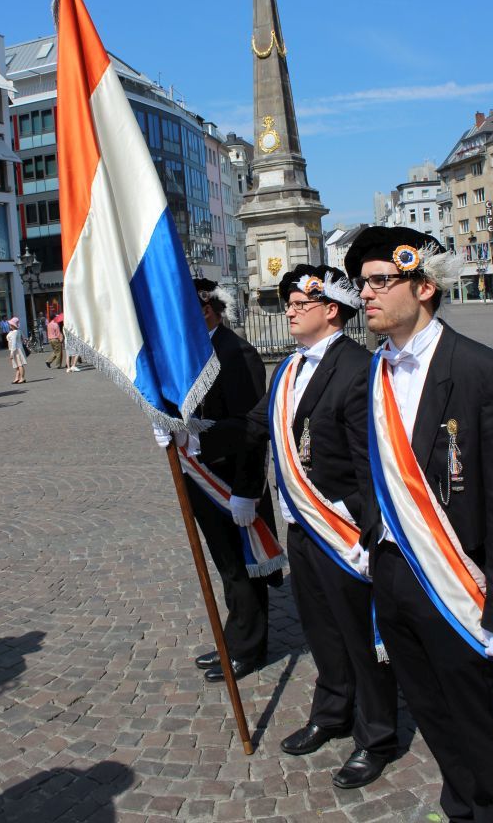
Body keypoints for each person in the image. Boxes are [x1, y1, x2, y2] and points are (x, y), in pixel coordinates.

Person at [345, 226, 493, 823]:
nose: (364, 295)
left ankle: (492, 812)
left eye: (377, 282)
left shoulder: (484, 373)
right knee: (431, 713)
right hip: (395, 576)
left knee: (476, 727)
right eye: (360, 284)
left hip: (458, 586)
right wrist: (374, 532)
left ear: (423, 287)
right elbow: (365, 467)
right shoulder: (374, 370)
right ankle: (460, 809)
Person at [197, 266, 398, 790]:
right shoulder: (289, 366)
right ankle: (332, 712)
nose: (288, 309)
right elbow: (255, 426)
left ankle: (376, 735)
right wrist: (191, 434)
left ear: (331, 309)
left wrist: (369, 534)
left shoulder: (359, 368)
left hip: (344, 528)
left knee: (360, 636)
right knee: (321, 628)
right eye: (286, 301)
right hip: (302, 523)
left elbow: (373, 461)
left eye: (298, 302)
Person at [154, 280, 282, 683]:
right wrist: (168, 424)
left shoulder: (236, 351)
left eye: (203, 306)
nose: (197, 314)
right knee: (226, 564)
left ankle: (249, 648)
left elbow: (250, 427)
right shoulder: (186, 352)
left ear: (215, 307)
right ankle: (235, 637)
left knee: (245, 565)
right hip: (200, 475)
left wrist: (247, 490)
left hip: (230, 479)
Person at [6, 317, 27, 384]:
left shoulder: (14, 332)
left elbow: (14, 343)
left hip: (16, 350)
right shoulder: (18, 331)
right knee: (17, 364)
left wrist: (12, 353)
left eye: (10, 324)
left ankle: (22, 378)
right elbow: (24, 339)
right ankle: (17, 377)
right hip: (18, 348)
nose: (9, 325)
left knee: (19, 364)